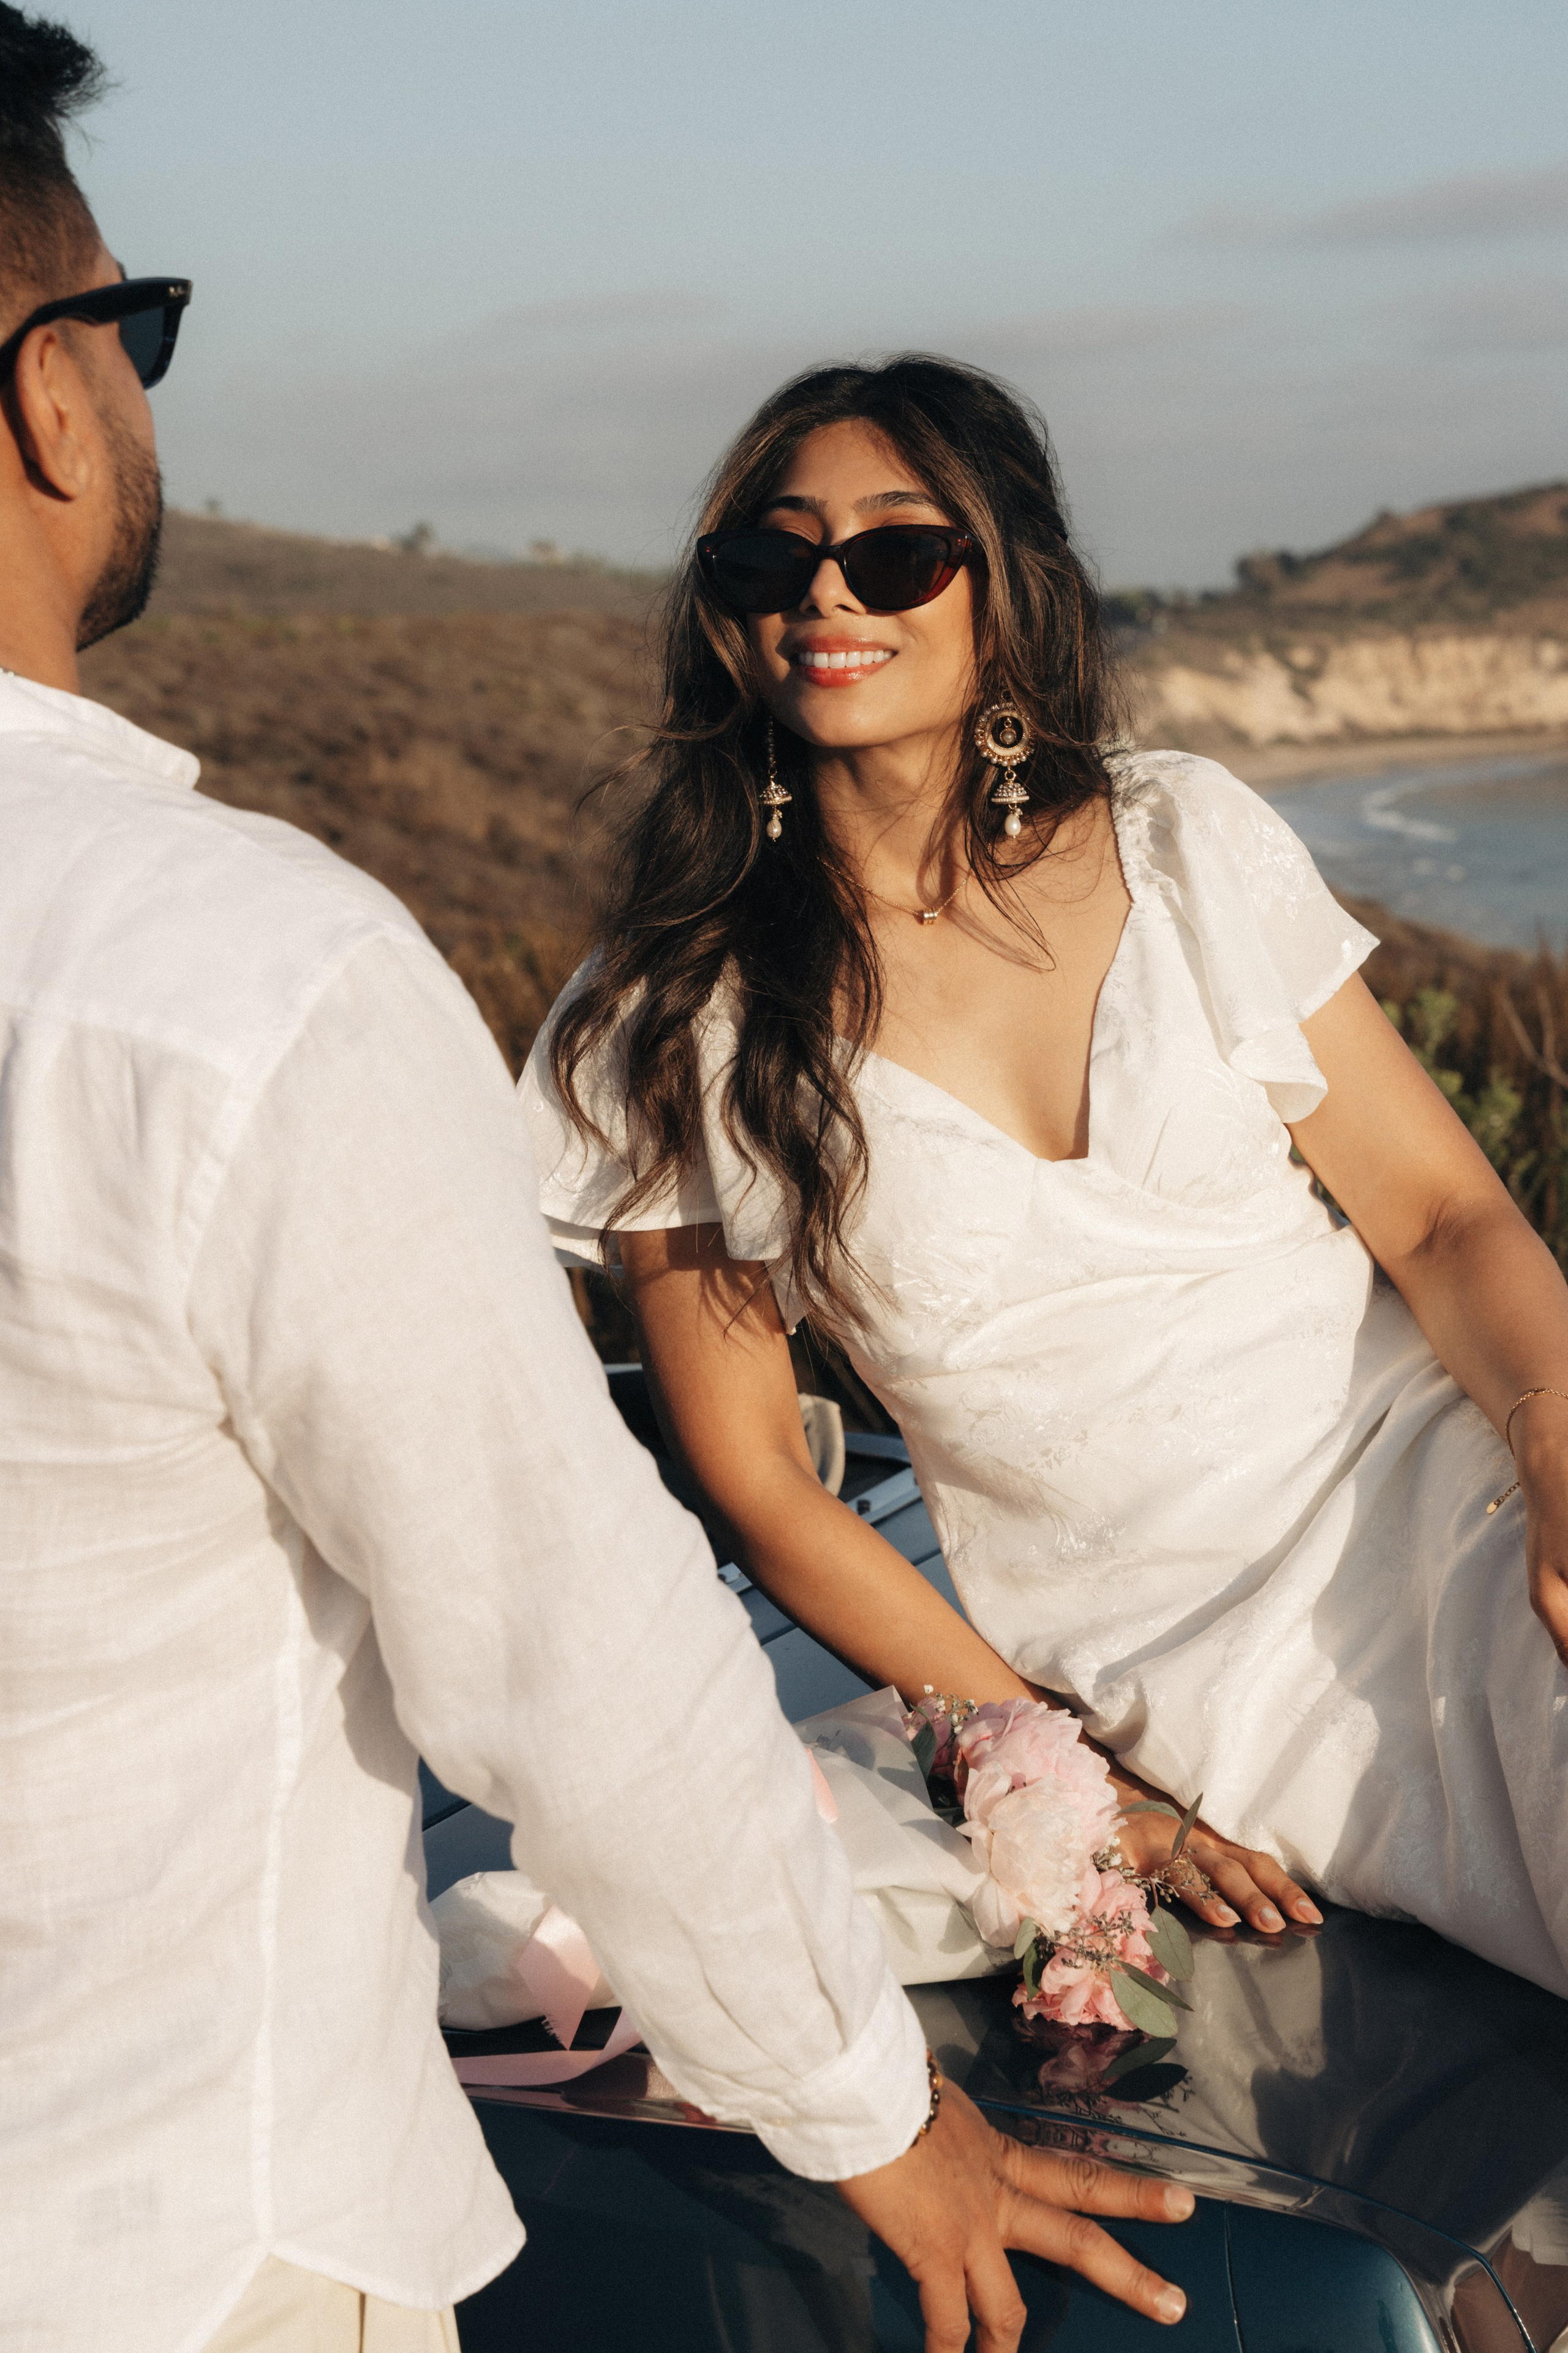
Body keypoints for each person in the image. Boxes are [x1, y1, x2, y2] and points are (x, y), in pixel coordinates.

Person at [0, 18, 1194, 2352]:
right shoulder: (239, 985)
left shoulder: (1189, 873)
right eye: (129, 330)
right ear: (48, 397)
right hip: (150, 2227)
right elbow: (576, 1639)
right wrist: (873, 2109)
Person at [523, 352, 1568, 2001]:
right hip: (1212, 1680)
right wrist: (1050, 1768)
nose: (824, 592)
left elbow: (1445, 1216)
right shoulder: (677, 1019)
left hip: (1461, 1496)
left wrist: (1559, 1438)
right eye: (770, 554)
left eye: (892, 551)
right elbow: (766, 1484)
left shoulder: (1184, 841)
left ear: (1003, 587)